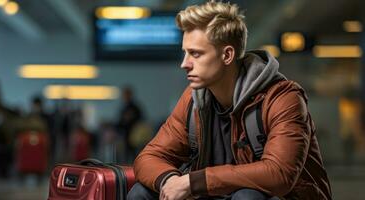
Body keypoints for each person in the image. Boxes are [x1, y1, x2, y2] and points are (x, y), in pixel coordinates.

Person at [127, 1, 331, 200]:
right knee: (141, 192)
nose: (185, 64)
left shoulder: (282, 98)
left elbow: (279, 174)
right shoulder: (193, 99)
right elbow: (148, 158)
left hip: (274, 196)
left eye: (196, 54)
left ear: (227, 55)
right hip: (217, 194)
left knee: (247, 196)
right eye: (185, 53)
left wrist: (193, 182)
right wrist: (170, 180)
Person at [117, 86, 143, 163]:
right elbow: (120, 123)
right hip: (126, 136)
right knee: (126, 155)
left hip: (134, 137)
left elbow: (140, 121)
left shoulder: (134, 108)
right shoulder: (125, 108)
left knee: (133, 155)